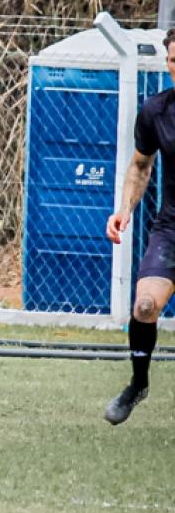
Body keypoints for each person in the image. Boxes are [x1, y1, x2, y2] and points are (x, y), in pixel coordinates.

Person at [103, 27, 175, 424]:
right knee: (145, 306)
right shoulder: (156, 112)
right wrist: (124, 209)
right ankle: (138, 384)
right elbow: (140, 165)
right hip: (171, 229)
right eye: (173, 60)